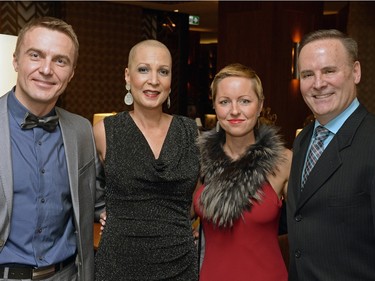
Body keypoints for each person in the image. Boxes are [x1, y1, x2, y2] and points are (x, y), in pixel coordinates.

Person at [0, 17, 98, 280]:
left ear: (72, 72)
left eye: (60, 60)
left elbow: (94, 199)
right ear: (16, 61)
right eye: (36, 55)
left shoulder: (81, 131)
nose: (46, 69)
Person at [93, 39, 200, 281]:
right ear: (127, 76)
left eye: (163, 71)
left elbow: (208, 192)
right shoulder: (104, 131)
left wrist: (204, 228)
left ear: (171, 80)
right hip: (118, 264)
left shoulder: (190, 132)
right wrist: (100, 211)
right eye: (144, 69)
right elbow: (82, 189)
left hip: (180, 263)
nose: (154, 80)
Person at [287, 29, 375, 281]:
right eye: (307, 74)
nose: (318, 83)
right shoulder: (303, 139)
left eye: (329, 71)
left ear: (355, 72)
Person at [193, 63, 292, 281]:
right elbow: (173, 211)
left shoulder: (284, 160)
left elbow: (312, 224)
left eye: (245, 101)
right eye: (225, 102)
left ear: (260, 105)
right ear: (215, 106)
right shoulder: (200, 159)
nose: (234, 111)